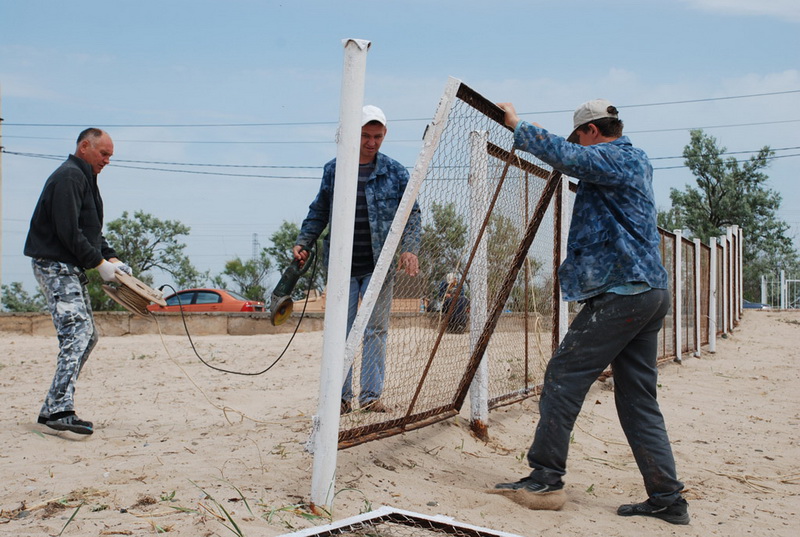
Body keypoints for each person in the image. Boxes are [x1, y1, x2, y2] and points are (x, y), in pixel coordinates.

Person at [488, 99, 689, 525]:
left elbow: (572, 157)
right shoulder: (626, 162)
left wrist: (519, 126)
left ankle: (545, 477)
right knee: (637, 399)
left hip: (625, 293)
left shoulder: (618, 156)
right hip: (644, 292)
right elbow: (574, 160)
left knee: (563, 375)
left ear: (593, 131)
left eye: (578, 135)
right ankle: (668, 498)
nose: (577, 143)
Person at [294, 105, 421, 414]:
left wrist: (409, 248)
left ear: (385, 135)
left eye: (377, 136)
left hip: (380, 266)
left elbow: (412, 214)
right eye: (365, 135)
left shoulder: (396, 172)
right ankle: (340, 397)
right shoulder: (334, 170)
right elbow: (319, 211)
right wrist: (304, 242)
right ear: (354, 134)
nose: (371, 142)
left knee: (376, 330)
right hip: (342, 267)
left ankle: (371, 397)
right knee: (341, 330)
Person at [25, 128, 132, 436]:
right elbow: (68, 231)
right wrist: (98, 264)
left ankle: (51, 409)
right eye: (104, 153)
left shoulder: (83, 177)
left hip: (68, 267)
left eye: (110, 155)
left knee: (89, 336)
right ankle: (60, 410)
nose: (108, 160)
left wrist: (110, 258)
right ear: (85, 146)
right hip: (54, 265)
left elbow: (90, 231)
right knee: (77, 332)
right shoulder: (70, 177)